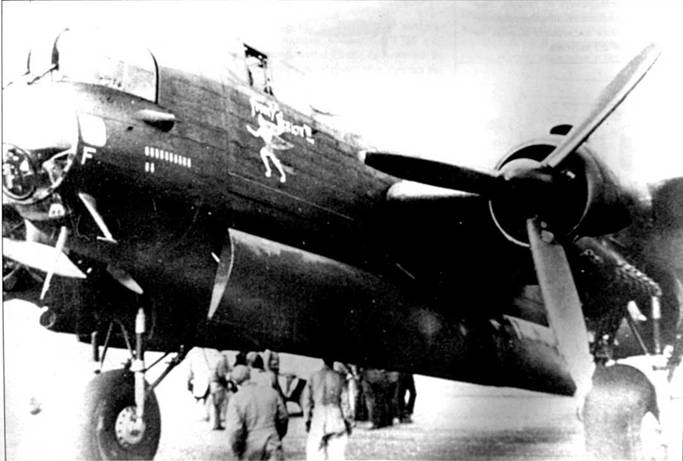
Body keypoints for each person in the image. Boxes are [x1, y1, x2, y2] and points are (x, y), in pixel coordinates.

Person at [225, 365, 289, 460]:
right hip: (272, 442)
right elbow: (283, 418)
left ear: (234, 382)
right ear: (249, 375)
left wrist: (236, 451)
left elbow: (235, 430)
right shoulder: (271, 392)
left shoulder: (236, 399)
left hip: (250, 448)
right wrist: (277, 435)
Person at [304, 357, 353, 460]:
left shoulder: (313, 376)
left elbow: (307, 401)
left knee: (315, 455)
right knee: (337, 455)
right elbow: (345, 403)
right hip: (335, 415)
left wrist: (307, 419)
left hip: (318, 416)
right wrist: (349, 421)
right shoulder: (340, 377)